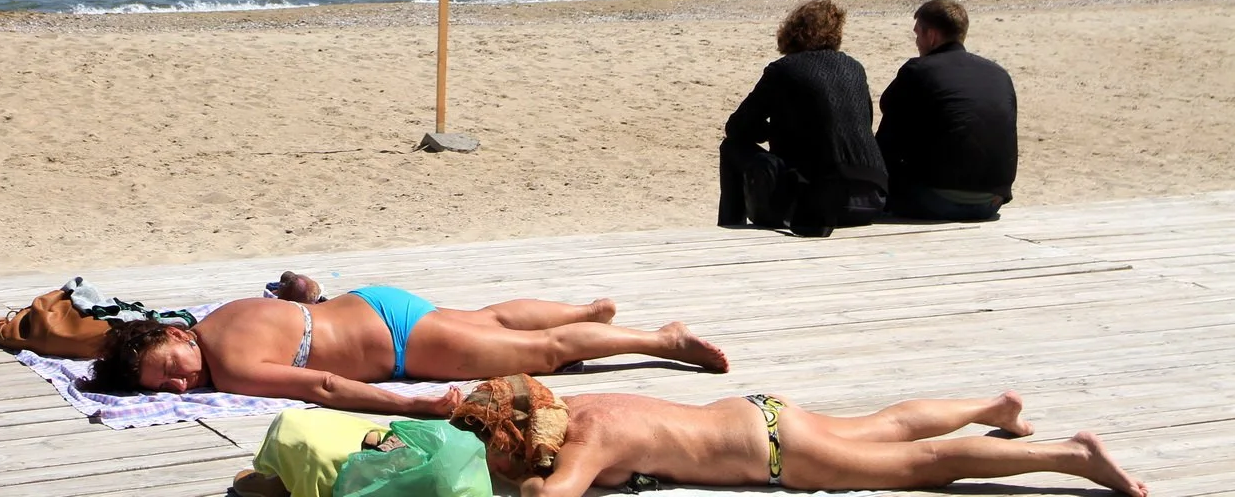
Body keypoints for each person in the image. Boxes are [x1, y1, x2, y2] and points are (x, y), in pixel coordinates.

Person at [457, 374, 1145, 497]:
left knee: (921, 464)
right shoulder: (578, 405)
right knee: (888, 426)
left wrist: (523, 480)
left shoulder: (589, 442)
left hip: (777, 455)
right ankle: (993, 406)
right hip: (755, 413)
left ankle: (1071, 456)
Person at [83, 286, 729, 417]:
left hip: (398, 343)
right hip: (374, 303)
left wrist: (414, 406)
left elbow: (325, 388)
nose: (180, 386)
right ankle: (588, 311)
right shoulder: (215, 316)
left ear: (174, 337)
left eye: (170, 370)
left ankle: (662, 340)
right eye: (164, 389)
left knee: (543, 353)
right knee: (490, 319)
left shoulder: (232, 367)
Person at [718, 0, 888, 236]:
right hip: (872, 200)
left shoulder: (783, 70)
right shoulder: (854, 68)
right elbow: (863, 121)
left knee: (731, 148)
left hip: (814, 204)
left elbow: (736, 128)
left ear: (791, 33)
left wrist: (770, 130)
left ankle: (731, 227)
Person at [875, 0, 1018, 221]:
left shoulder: (918, 70)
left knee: (895, 127)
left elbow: (888, 120)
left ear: (932, 35)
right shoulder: (999, 74)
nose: (917, 42)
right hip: (992, 201)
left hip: (936, 201)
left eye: (918, 34)